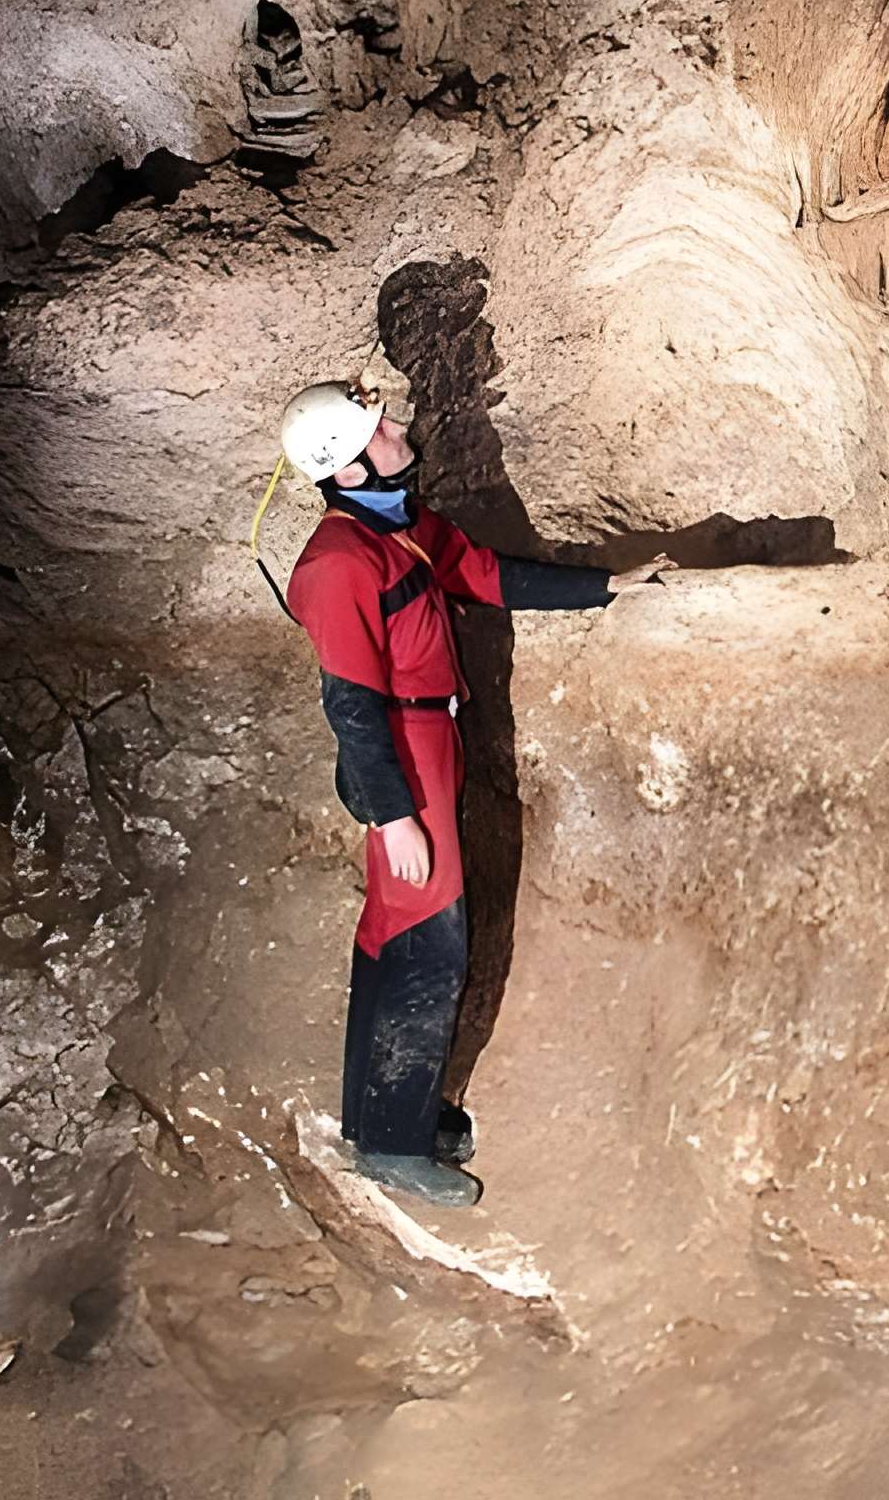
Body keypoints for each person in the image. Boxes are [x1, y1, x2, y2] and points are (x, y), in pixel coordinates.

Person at [275, 376, 668, 1208]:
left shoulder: (401, 529)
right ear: (348, 469)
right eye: (376, 428)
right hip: (400, 748)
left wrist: (609, 586)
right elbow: (349, 703)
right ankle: (393, 1146)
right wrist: (392, 817)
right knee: (430, 938)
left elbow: (485, 575)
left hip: (432, 737)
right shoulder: (340, 562)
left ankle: (382, 1114)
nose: (394, 427)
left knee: (393, 929)